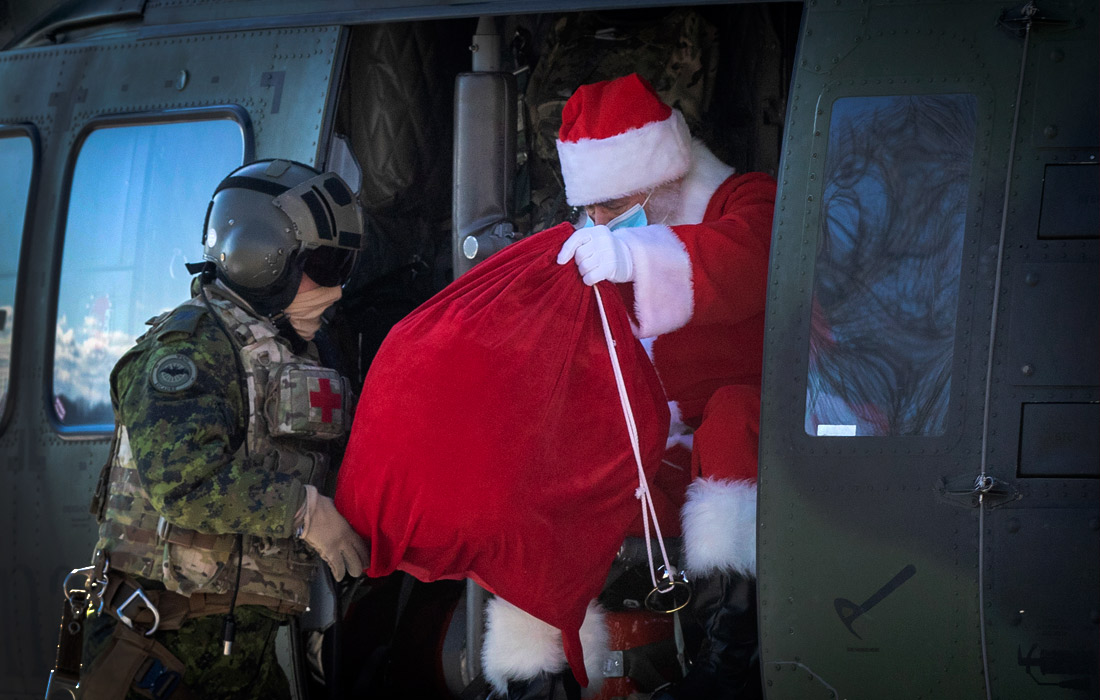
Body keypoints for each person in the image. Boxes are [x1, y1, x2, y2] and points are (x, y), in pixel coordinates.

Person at [481, 74, 775, 699]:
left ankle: (734, 656)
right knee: (551, 467)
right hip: (658, 460)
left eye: (613, 207)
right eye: (590, 209)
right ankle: (535, 676)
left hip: (754, 456)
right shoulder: (598, 239)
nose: (600, 222)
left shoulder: (746, 199)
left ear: (664, 175)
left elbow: (751, 260)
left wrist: (641, 257)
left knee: (734, 415)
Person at [77, 159, 370, 699]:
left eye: (345, 263)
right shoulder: (190, 350)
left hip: (246, 664)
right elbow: (185, 484)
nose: (338, 285)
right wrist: (304, 513)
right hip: (159, 655)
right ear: (263, 259)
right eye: (326, 265)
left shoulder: (291, 354)